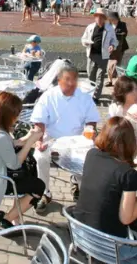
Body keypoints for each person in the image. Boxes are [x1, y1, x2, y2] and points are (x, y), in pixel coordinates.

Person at [74, 116, 137, 245]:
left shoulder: (91, 155)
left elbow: (108, 192)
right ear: (130, 142)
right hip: (107, 243)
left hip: (80, 231)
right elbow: (126, 219)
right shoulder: (128, 173)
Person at [0, 92, 45, 230]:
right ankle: (7, 219)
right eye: (16, 115)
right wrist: (30, 144)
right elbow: (15, 164)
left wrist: (29, 136)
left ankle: (16, 214)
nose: (18, 118)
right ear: (8, 115)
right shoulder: (0, 136)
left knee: (29, 173)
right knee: (38, 185)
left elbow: (12, 143)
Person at [30, 64, 101, 210]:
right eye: (67, 79)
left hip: (77, 141)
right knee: (39, 156)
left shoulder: (84, 97)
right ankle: (45, 192)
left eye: (74, 79)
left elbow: (91, 121)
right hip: (52, 140)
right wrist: (39, 141)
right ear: (59, 79)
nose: (71, 83)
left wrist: (91, 131)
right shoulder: (49, 96)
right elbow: (39, 121)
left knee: (87, 160)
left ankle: (82, 193)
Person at [80, 8, 118, 100]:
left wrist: (112, 45)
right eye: (97, 16)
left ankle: (96, 97)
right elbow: (83, 39)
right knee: (90, 76)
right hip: (91, 55)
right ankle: (89, 94)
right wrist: (86, 42)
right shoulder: (90, 27)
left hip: (103, 56)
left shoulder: (110, 28)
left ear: (104, 18)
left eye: (101, 17)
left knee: (100, 77)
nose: (99, 18)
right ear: (95, 17)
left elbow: (115, 41)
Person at [109, 77, 137, 149]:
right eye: (133, 90)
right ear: (123, 93)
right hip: (118, 144)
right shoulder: (115, 108)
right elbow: (110, 130)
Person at [106, 11, 129, 85]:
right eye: (111, 19)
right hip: (110, 48)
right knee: (109, 65)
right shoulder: (108, 25)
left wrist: (117, 35)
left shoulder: (122, 24)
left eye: (114, 19)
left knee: (117, 64)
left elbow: (125, 33)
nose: (113, 20)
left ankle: (118, 80)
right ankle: (110, 80)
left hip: (120, 47)